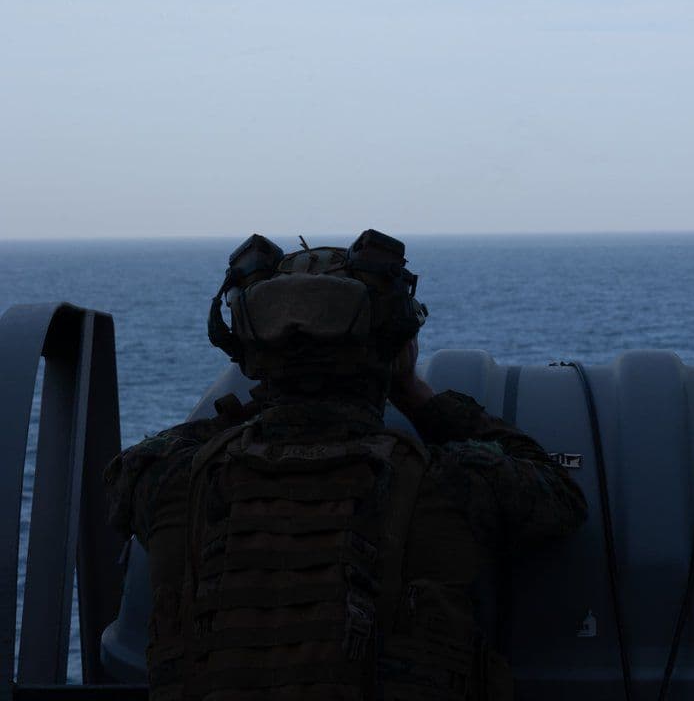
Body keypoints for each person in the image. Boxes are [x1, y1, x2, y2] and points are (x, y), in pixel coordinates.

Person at [105, 230, 587, 701]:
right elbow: (557, 495)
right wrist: (415, 395)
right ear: (396, 350)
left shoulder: (171, 482)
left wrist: (269, 402)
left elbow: (134, 466)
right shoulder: (449, 483)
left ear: (250, 354)